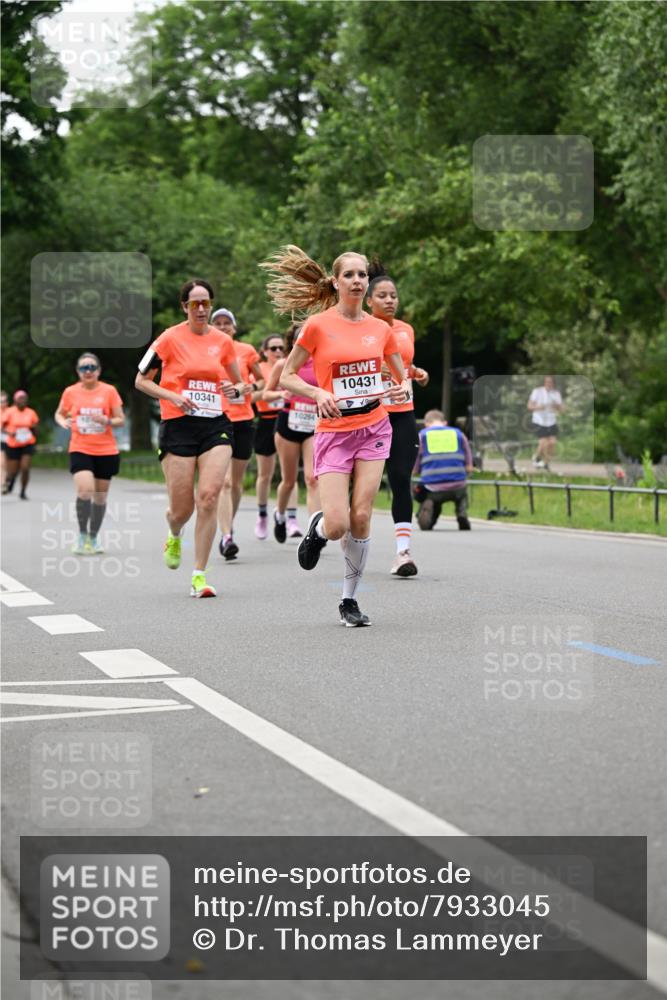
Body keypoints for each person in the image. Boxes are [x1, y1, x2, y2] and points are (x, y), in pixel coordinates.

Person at [261, 245, 409, 627]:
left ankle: (349, 600)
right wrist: (318, 393)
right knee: (339, 523)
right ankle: (318, 527)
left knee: (362, 516)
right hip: (333, 432)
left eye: (362, 275)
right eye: (350, 275)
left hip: (374, 427)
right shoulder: (317, 326)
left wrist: (400, 387)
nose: (358, 281)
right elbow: (288, 375)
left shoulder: (380, 329)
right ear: (336, 281)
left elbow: (399, 374)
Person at [135, 279, 244, 598]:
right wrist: (173, 396)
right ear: (184, 306)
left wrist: (231, 389)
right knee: (181, 508)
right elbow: (141, 380)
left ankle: (199, 575)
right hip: (178, 425)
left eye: (206, 303)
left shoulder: (222, 341)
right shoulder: (168, 339)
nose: (201, 309)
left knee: (209, 495)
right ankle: (174, 531)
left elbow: (239, 385)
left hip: (215, 425)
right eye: (194, 303)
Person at [366, 262, 429, 577]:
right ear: (369, 301)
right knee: (365, 486)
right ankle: (339, 531)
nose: (389, 300)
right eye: (382, 295)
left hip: (402, 413)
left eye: (393, 295)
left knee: (402, 478)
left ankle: (402, 552)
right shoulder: (361, 329)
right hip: (370, 416)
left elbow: (403, 362)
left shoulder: (405, 329)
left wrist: (416, 372)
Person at [54, 353, 125, 554]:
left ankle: (93, 537)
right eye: (84, 367)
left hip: (106, 450)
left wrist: (107, 421)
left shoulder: (109, 391)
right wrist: (62, 421)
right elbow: (59, 413)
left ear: (99, 370)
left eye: (92, 367)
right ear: (78, 371)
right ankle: (82, 534)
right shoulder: (70, 392)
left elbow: (121, 419)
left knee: (100, 498)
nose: (88, 371)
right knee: (85, 491)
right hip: (80, 447)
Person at [210, 308, 264, 561]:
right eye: (217, 323)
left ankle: (226, 527)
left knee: (237, 483)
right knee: (225, 481)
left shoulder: (246, 351)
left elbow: (262, 382)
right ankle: (227, 535)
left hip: (243, 420)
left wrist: (247, 387)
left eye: (226, 323)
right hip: (216, 420)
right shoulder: (204, 350)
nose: (222, 327)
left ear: (234, 327)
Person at [263, 322, 320, 542]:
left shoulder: (321, 362)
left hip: (313, 425)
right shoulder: (282, 364)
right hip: (288, 424)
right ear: (294, 342)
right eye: (299, 338)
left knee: (312, 478)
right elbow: (265, 394)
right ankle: (280, 514)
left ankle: (314, 530)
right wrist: (280, 395)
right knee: (288, 481)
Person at [252, 334, 301, 539]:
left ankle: (291, 520)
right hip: (266, 420)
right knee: (265, 474)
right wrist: (268, 387)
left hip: (289, 418)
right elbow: (251, 397)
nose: (278, 351)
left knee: (290, 475)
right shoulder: (260, 370)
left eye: (281, 347)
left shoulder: (291, 364)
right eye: (273, 348)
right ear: (264, 351)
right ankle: (262, 516)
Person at [413, 409, 474, 531]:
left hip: (432, 487)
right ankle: (461, 511)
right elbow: (469, 464)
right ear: (445, 422)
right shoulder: (459, 434)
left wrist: (416, 471)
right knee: (462, 495)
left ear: (426, 423)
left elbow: (415, 464)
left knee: (420, 491)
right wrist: (466, 470)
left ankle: (428, 505)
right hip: (458, 485)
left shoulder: (422, 436)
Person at [2, 390, 39, 499]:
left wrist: (34, 428)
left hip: (27, 443)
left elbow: (36, 429)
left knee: (25, 468)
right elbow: (2, 428)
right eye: (20, 398)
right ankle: (10, 480)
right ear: (15, 400)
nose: (22, 401)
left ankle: (23, 491)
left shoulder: (31, 412)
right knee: (12, 471)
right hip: (13, 444)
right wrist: (10, 433)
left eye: (24, 398)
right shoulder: (9, 412)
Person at [528, 375, 564, 471]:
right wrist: (538, 407)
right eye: (547, 382)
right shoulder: (537, 391)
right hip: (539, 420)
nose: (549, 384)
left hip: (551, 421)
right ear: (544, 382)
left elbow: (562, 409)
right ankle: (536, 457)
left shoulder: (556, 394)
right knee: (543, 443)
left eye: (550, 382)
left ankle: (546, 464)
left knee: (552, 443)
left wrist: (556, 406)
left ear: (553, 383)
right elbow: (529, 406)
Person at [1, 390, 8, 492]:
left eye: (4, 401)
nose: (3, 403)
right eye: (0, 401)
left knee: (5, 462)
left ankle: (5, 481)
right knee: (1, 462)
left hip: (8, 439)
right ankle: (3, 483)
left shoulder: (10, 411)